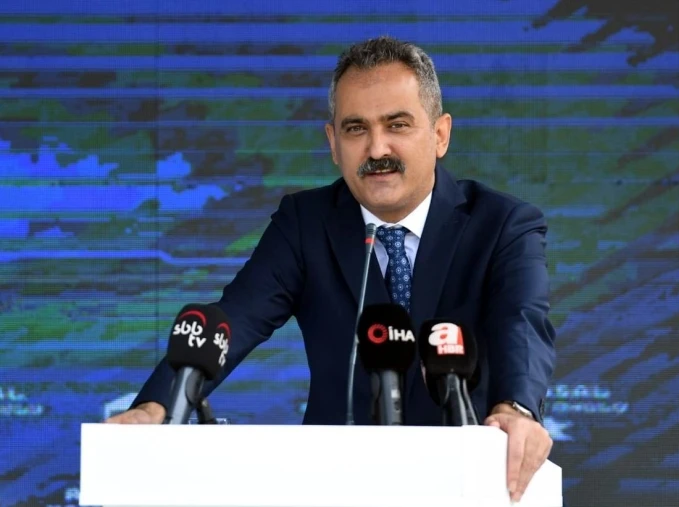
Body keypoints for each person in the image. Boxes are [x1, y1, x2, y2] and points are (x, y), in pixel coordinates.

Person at [107, 36, 556, 502]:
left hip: (469, 484)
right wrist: (157, 406)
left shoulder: (502, 224)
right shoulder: (306, 224)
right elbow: (236, 318)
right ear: (333, 143)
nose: (376, 148)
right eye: (356, 129)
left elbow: (521, 322)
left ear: (440, 134)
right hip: (333, 484)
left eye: (397, 125)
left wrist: (517, 408)